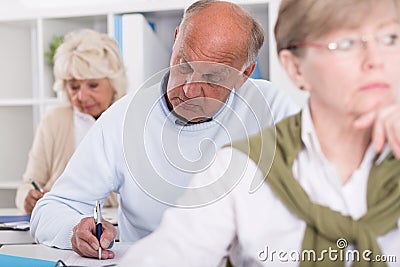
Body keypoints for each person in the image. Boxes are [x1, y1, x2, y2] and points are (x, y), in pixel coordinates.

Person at [118, 0, 400, 266]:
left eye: (389, 38)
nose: (375, 60)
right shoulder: (240, 170)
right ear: (295, 68)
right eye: (346, 44)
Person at [30, 0, 301, 260]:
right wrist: (75, 231)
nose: (189, 90)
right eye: (184, 65)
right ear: (176, 39)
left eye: (212, 77)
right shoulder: (122, 119)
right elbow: (50, 209)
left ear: (245, 74)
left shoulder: (273, 108)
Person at [15, 29, 127, 214]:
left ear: (113, 83)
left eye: (93, 85)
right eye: (73, 87)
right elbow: (29, 182)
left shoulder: (127, 119)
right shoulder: (54, 120)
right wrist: (27, 198)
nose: (82, 96)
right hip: (61, 222)